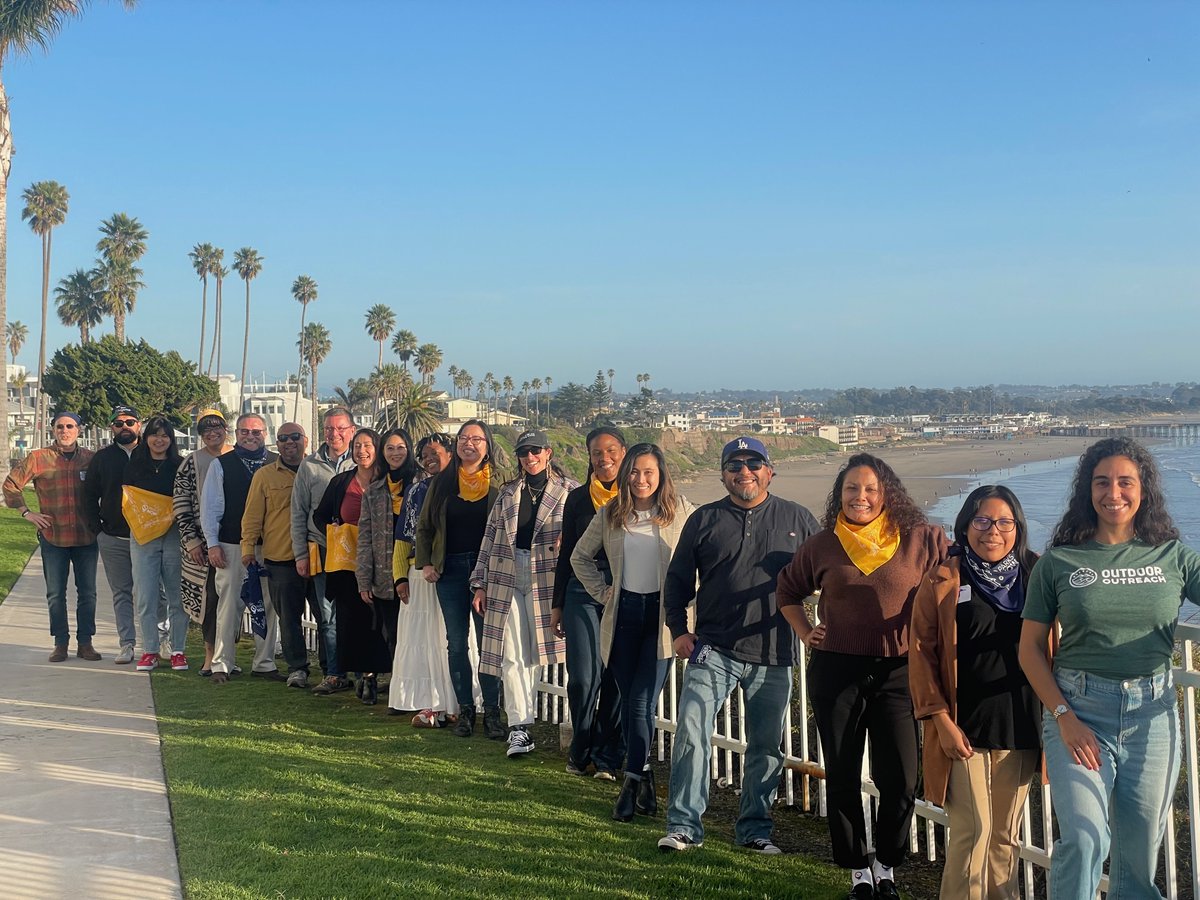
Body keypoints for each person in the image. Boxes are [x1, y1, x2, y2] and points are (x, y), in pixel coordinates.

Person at [1019, 437, 1199, 900]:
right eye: (1102, 482)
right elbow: (1030, 650)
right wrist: (1065, 717)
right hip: (1079, 710)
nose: (1113, 493)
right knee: (1083, 838)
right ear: (1087, 490)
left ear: (1144, 490)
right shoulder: (1059, 561)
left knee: (1139, 856)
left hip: (1153, 715)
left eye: (1125, 482)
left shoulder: (1173, 556)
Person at [777, 452, 947, 899]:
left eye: (871, 489)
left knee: (902, 777)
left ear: (887, 492)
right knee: (844, 772)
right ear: (840, 494)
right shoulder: (823, 544)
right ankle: (857, 870)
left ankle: (887, 864)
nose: (862, 497)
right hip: (837, 669)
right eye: (852, 489)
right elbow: (787, 590)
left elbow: (958, 582)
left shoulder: (920, 539)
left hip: (899, 671)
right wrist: (806, 629)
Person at [657, 437, 820, 856]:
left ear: (770, 470)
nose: (744, 471)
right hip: (713, 648)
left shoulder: (798, 519)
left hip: (774, 653)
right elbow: (676, 582)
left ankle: (754, 830)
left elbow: (827, 578)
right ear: (723, 472)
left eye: (754, 463)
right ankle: (683, 826)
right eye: (735, 464)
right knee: (691, 731)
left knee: (765, 746)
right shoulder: (705, 519)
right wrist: (679, 630)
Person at [909, 485, 1042, 900]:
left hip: (1020, 725)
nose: (993, 531)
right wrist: (939, 720)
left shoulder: (1037, 575)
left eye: (1005, 522)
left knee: (1004, 836)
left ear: (1017, 528)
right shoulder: (944, 579)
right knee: (973, 830)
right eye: (982, 521)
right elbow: (921, 654)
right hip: (961, 728)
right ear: (965, 526)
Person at [571, 442, 693, 820]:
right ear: (626, 476)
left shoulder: (680, 513)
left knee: (640, 703)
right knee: (631, 703)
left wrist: (687, 602)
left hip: (659, 622)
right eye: (635, 472)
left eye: (649, 472)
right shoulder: (611, 514)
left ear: (661, 475)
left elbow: (701, 562)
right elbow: (579, 557)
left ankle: (629, 785)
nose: (641, 479)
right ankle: (644, 775)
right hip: (622, 617)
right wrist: (604, 593)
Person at [469, 429, 575, 756]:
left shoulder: (570, 491)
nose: (530, 458)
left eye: (535, 451)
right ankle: (519, 728)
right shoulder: (508, 493)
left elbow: (586, 532)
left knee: (548, 654)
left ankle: (577, 727)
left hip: (549, 576)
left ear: (548, 453)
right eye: (524, 452)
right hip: (507, 572)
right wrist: (479, 582)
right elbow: (489, 537)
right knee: (511, 654)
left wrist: (568, 541)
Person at [414, 419, 504, 739]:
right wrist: (426, 563)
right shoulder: (442, 482)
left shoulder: (500, 482)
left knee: (489, 645)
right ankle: (466, 711)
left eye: (477, 439)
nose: (470, 444)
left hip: (488, 572)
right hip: (449, 569)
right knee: (456, 644)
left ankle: (493, 712)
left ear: (487, 444)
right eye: (464, 438)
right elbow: (424, 526)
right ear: (456, 445)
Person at [552, 426, 627, 780]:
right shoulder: (578, 499)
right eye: (597, 452)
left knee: (615, 677)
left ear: (624, 453)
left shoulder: (638, 496)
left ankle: (608, 755)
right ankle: (580, 746)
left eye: (611, 450)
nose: (604, 458)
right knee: (583, 677)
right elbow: (568, 553)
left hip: (624, 593)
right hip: (582, 592)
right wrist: (557, 604)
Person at [3, 412, 100, 661]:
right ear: (53, 430)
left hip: (86, 537)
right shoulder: (38, 458)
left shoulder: (91, 459)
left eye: (70, 426)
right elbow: (11, 484)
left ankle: (85, 642)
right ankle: (60, 643)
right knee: (55, 593)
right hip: (53, 537)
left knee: (87, 593)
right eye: (60, 426)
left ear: (79, 430)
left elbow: (109, 488)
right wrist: (27, 513)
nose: (65, 430)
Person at [200, 413, 281, 684]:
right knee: (229, 604)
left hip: (269, 546)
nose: (250, 436)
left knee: (268, 605)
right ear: (236, 433)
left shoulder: (276, 463)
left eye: (256, 432)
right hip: (231, 544)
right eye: (245, 431)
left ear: (265, 435)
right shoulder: (221, 464)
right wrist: (213, 544)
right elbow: (211, 508)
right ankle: (222, 663)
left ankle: (264, 662)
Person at [313, 428, 392, 703]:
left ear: (377, 448)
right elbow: (319, 515)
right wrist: (336, 533)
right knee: (352, 621)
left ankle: (380, 675)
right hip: (348, 565)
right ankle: (363, 677)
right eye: (357, 446)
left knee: (378, 620)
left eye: (368, 445)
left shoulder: (387, 480)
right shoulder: (341, 482)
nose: (362, 451)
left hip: (382, 562)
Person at [389, 433, 459, 725]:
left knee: (453, 640)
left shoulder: (466, 487)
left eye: (435, 452)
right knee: (424, 639)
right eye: (424, 455)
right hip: (420, 574)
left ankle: (456, 703)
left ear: (450, 452)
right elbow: (403, 537)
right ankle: (430, 701)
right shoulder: (417, 491)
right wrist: (399, 578)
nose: (430, 459)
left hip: (457, 573)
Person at [291, 406, 356, 695]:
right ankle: (334, 673)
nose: (335, 433)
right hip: (322, 548)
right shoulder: (310, 466)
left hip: (357, 551)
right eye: (329, 428)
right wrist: (300, 555)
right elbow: (298, 512)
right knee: (327, 615)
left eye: (341, 428)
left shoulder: (362, 461)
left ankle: (362, 671)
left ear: (351, 431)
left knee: (357, 613)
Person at [241, 423, 312, 688]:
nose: (289, 442)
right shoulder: (264, 476)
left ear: (305, 440)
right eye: (283, 438)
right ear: (277, 443)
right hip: (281, 559)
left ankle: (333, 670)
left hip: (319, 558)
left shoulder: (317, 469)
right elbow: (252, 517)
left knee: (327, 618)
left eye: (295, 437)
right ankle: (298, 668)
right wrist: (247, 549)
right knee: (289, 619)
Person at [354, 428, 418, 704]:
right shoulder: (375, 490)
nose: (395, 453)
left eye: (400, 447)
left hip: (416, 573)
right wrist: (363, 579)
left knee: (417, 634)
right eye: (389, 448)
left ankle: (415, 688)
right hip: (384, 575)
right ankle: (395, 687)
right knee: (389, 633)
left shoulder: (422, 484)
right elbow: (365, 537)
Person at [123, 416, 187, 672]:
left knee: (177, 596)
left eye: (165, 435)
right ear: (146, 437)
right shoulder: (135, 465)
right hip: (143, 536)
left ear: (171, 440)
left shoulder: (180, 465)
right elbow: (128, 499)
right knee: (146, 595)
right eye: (154, 434)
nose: (159, 440)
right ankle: (150, 650)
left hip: (174, 536)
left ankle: (178, 650)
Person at [82, 404, 143, 664]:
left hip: (148, 538)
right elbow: (88, 496)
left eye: (130, 422)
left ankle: (163, 641)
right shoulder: (102, 458)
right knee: (122, 593)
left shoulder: (152, 453)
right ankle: (127, 644)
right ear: (112, 428)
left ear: (139, 425)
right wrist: (98, 530)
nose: (125, 427)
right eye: (119, 423)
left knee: (155, 592)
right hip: (113, 538)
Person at [172, 409, 231, 675]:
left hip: (235, 540)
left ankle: (228, 655)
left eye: (216, 427)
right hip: (202, 546)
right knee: (209, 601)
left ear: (225, 429)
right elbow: (181, 503)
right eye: (206, 430)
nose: (212, 433)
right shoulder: (191, 463)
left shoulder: (238, 457)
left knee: (234, 601)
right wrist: (192, 541)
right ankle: (210, 655)